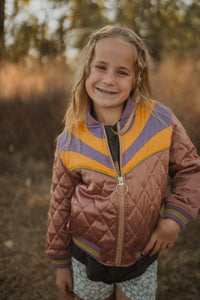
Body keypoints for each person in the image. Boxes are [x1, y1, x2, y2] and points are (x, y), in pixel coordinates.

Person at [46, 25, 200, 300]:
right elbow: (59, 206)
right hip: (87, 258)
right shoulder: (70, 139)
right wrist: (61, 263)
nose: (108, 79)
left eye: (121, 72)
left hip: (141, 258)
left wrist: (174, 219)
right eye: (101, 67)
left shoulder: (160, 121)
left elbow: (191, 169)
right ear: (86, 71)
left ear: (137, 77)